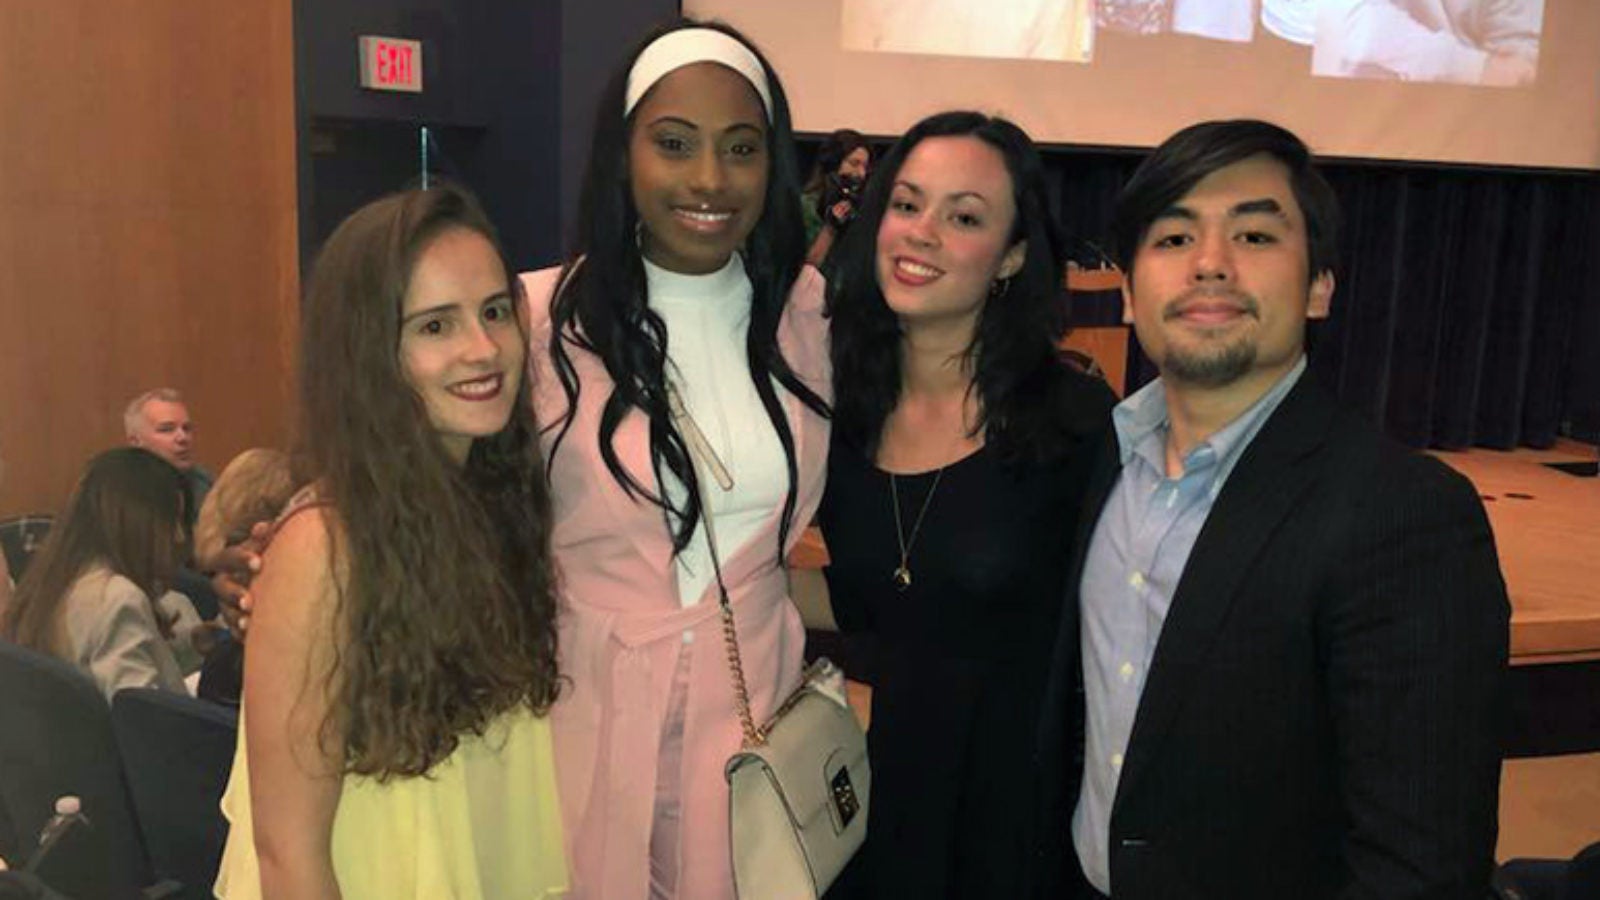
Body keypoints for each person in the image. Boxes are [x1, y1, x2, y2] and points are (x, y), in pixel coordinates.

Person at [1032, 119, 1509, 899]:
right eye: (1174, 238)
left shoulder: (1405, 512)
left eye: (1254, 237)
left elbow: (1419, 865)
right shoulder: (1101, 463)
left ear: (1320, 285)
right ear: (1126, 290)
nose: (1210, 265)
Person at [519, 20, 831, 899]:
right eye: (673, 144)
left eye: (741, 148)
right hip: (580, 708)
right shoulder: (540, 318)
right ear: (624, 156)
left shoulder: (806, 317)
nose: (708, 179)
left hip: (749, 708)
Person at [211, 185, 567, 899]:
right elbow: (288, 855)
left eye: (495, 311)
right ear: (371, 351)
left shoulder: (496, 509)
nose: (483, 348)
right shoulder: (325, 547)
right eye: (435, 326)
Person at [791, 111, 1113, 898]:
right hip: (894, 793)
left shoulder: (1073, 423)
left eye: (963, 217)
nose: (921, 233)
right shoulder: (840, 410)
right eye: (906, 205)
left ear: (1010, 256)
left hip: (1029, 819)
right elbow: (882, 595)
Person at [2, 447, 208, 701]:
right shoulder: (118, 598)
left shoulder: (49, 585)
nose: (178, 536)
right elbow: (140, 721)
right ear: (132, 519)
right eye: (170, 520)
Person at [1313, 0, 1543, 86]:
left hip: (1464, 123)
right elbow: (1346, 21)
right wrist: (1471, 68)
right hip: (1350, 111)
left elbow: (1518, 70)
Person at [124, 388, 213, 514]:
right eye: (167, 429)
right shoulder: (117, 493)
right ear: (136, 442)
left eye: (186, 428)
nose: (183, 438)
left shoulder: (203, 484)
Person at [802, 128, 872, 266]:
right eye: (854, 163)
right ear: (833, 164)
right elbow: (808, 266)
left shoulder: (862, 206)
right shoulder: (806, 205)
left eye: (865, 167)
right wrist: (830, 228)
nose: (861, 174)